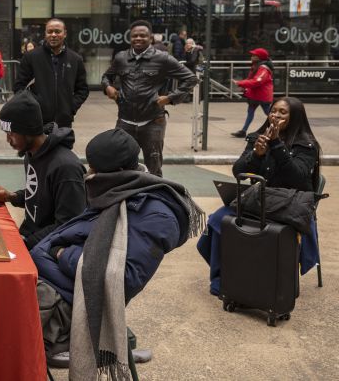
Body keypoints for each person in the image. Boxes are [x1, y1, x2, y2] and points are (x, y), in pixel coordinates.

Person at [31, 128, 204, 372]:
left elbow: (122, 277)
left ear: (119, 172)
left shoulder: (155, 215)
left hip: (62, 308)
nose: (89, 175)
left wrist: (61, 254)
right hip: (48, 287)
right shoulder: (117, 191)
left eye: (95, 170)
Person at [197, 97, 321, 295]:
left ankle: (270, 279)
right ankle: (221, 278)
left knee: (270, 232)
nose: (276, 115)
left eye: (283, 112)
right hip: (260, 201)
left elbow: (297, 177)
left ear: (295, 117)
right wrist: (257, 154)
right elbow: (238, 171)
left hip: (289, 206)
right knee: (218, 220)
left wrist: (277, 145)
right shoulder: (257, 137)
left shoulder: (306, 145)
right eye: (274, 110)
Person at [0, 92, 85, 249]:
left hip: (49, 249)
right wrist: (11, 196)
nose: (8, 140)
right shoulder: (31, 153)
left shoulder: (66, 168)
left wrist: (25, 244)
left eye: (11, 133)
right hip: (31, 238)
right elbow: (39, 195)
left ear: (28, 131)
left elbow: (69, 224)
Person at [101, 20, 197, 177]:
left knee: (153, 168)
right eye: (135, 35)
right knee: (120, 165)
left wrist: (170, 98)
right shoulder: (121, 58)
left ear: (150, 37)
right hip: (125, 121)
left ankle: (154, 198)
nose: (138, 38)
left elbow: (191, 78)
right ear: (130, 38)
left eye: (143, 35)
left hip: (152, 122)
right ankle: (126, 199)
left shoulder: (163, 59)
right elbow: (106, 77)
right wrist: (108, 87)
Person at [13, 18, 89, 131]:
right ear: (45, 34)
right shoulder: (31, 57)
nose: (53, 35)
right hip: (38, 122)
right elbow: (18, 87)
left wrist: (70, 108)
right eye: (50, 31)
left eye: (57, 31)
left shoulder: (75, 59)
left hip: (64, 124)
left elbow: (82, 90)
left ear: (65, 34)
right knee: (38, 149)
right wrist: (33, 106)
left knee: (63, 149)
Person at [230, 47, 274, 138]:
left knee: (269, 114)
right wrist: (243, 85)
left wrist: (240, 83)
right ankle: (243, 131)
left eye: (254, 55)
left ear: (259, 57)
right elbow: (251, 79)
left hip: (262, 96)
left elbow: (257, 81)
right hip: (256, 95)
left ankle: (282, 128)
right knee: (251, 112)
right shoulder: (256, 66)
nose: (252, 56)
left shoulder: (263, 68)